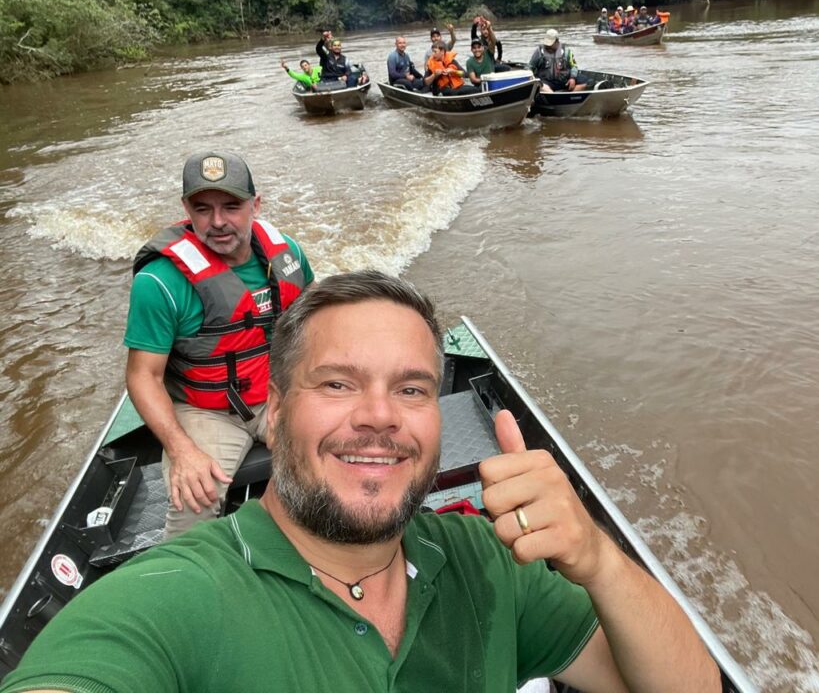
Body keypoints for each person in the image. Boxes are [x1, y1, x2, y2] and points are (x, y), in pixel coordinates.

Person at [0, 271, 721, 693]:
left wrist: (597, 558)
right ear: (275, 416)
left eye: (411, 391)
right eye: (339, 383)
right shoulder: (168, 602)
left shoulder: (494, 563)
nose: (379, 418)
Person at [123, 150, 314, 538]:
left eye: (232, 206)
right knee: (195, 502)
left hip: (278, 393)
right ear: (186, 210)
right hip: (207, 411)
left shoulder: (288, 254)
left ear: (255, 204)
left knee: (334, 455)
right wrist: (182, 451)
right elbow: (143, 376)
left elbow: (318, 327)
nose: (219, 222)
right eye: (203, 209)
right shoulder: (159, 283)